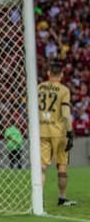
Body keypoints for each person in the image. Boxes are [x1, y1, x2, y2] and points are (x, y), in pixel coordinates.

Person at [38, 62, 75, 206]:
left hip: (42, 131)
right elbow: (66, 115)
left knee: (42, 166)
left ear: (48, 73)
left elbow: (29, 108)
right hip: (59, 132)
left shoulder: (39, 88)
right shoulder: (64, 90)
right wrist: (70, 132)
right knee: (62, 166)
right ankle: (62, 198)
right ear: (61, 75)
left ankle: (38, 199)